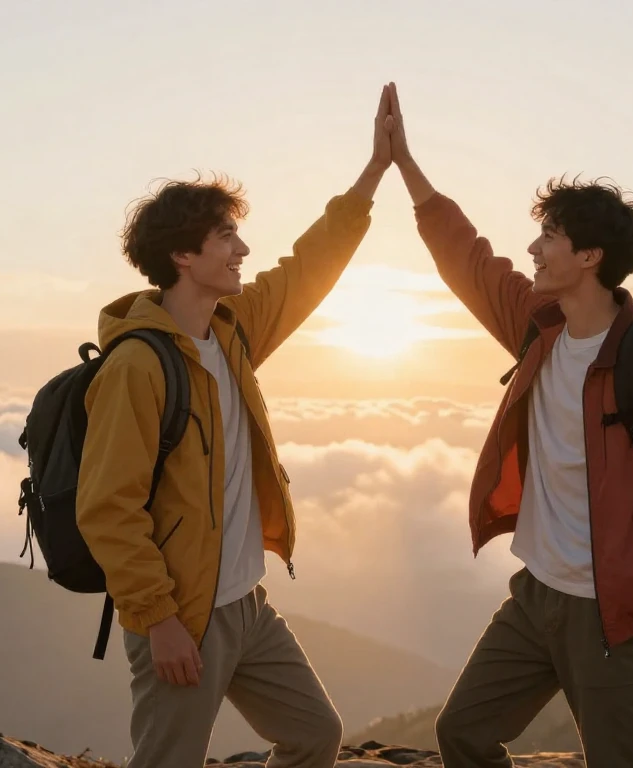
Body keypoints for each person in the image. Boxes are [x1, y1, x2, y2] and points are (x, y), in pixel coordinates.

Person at [381, 83, 633, 766]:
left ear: (589, 257)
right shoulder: (539, 327)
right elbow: (467, 258)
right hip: (536, 595)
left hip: (612, 608)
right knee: (463, 732)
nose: (533, 247)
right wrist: (405, 164)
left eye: (550, 237)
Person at [74, 85, 395, 768]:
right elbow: (107, 508)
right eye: (225, 237)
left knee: (314, 735)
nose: (242, 248)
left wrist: (372, 174)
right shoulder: (137, 366)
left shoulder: (233, 331)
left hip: (249, 606)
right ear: (183, 257)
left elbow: (306, 269)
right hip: (183, 613)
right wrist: (159, 620)